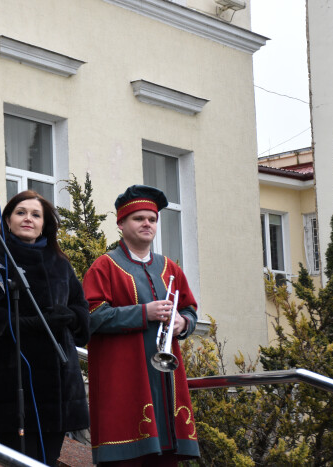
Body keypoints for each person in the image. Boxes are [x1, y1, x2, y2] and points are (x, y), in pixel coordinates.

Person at [82, 185, 200, 466]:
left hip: (166, 381)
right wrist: (142, 313)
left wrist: (184, 322)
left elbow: (189, 309)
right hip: (123, 380)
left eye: (152, 219)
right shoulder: (104, 266)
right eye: (139, 218)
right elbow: (91, 316)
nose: (147, 224)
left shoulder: (171, 267)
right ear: (121, 223)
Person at [0, 190, 90, 466]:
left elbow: (82, 312)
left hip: (60, 388)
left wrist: (70, 318)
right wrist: (33, 324)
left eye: (36, 214)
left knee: (48, 459)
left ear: (44, 223)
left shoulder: (60, 262)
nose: (28, 219)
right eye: (21, 212)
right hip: (10, 384)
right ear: (8, 220)